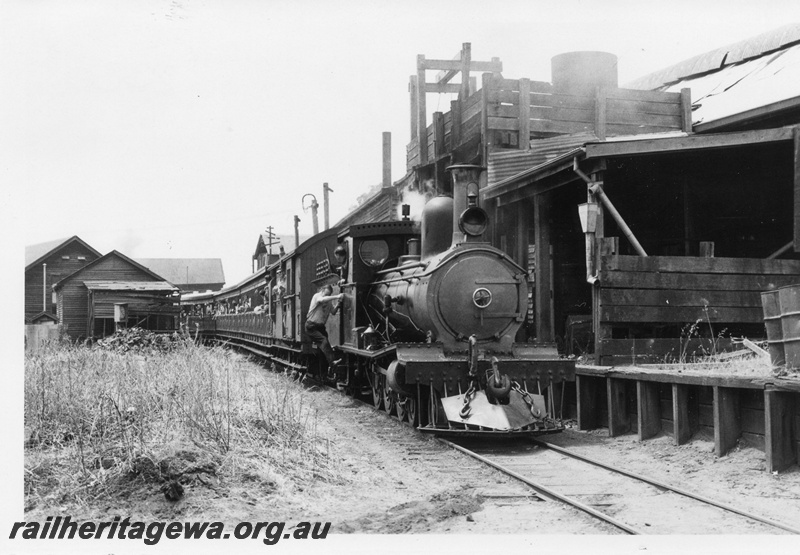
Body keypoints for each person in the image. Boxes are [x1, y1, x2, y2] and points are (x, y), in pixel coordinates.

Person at [305, 284, 343, 368]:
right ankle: (332, 362)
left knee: (324, 350)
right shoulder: (317, 296)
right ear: (322, 291)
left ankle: (325, 372)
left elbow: (333, 312)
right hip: (311, 326)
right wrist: (336, 296)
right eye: (326, 294)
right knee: (324, 341)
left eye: (329, 295)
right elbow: (321, 300)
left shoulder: (328, 302)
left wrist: (338, 304)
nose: (327, 296)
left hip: (320, 327)